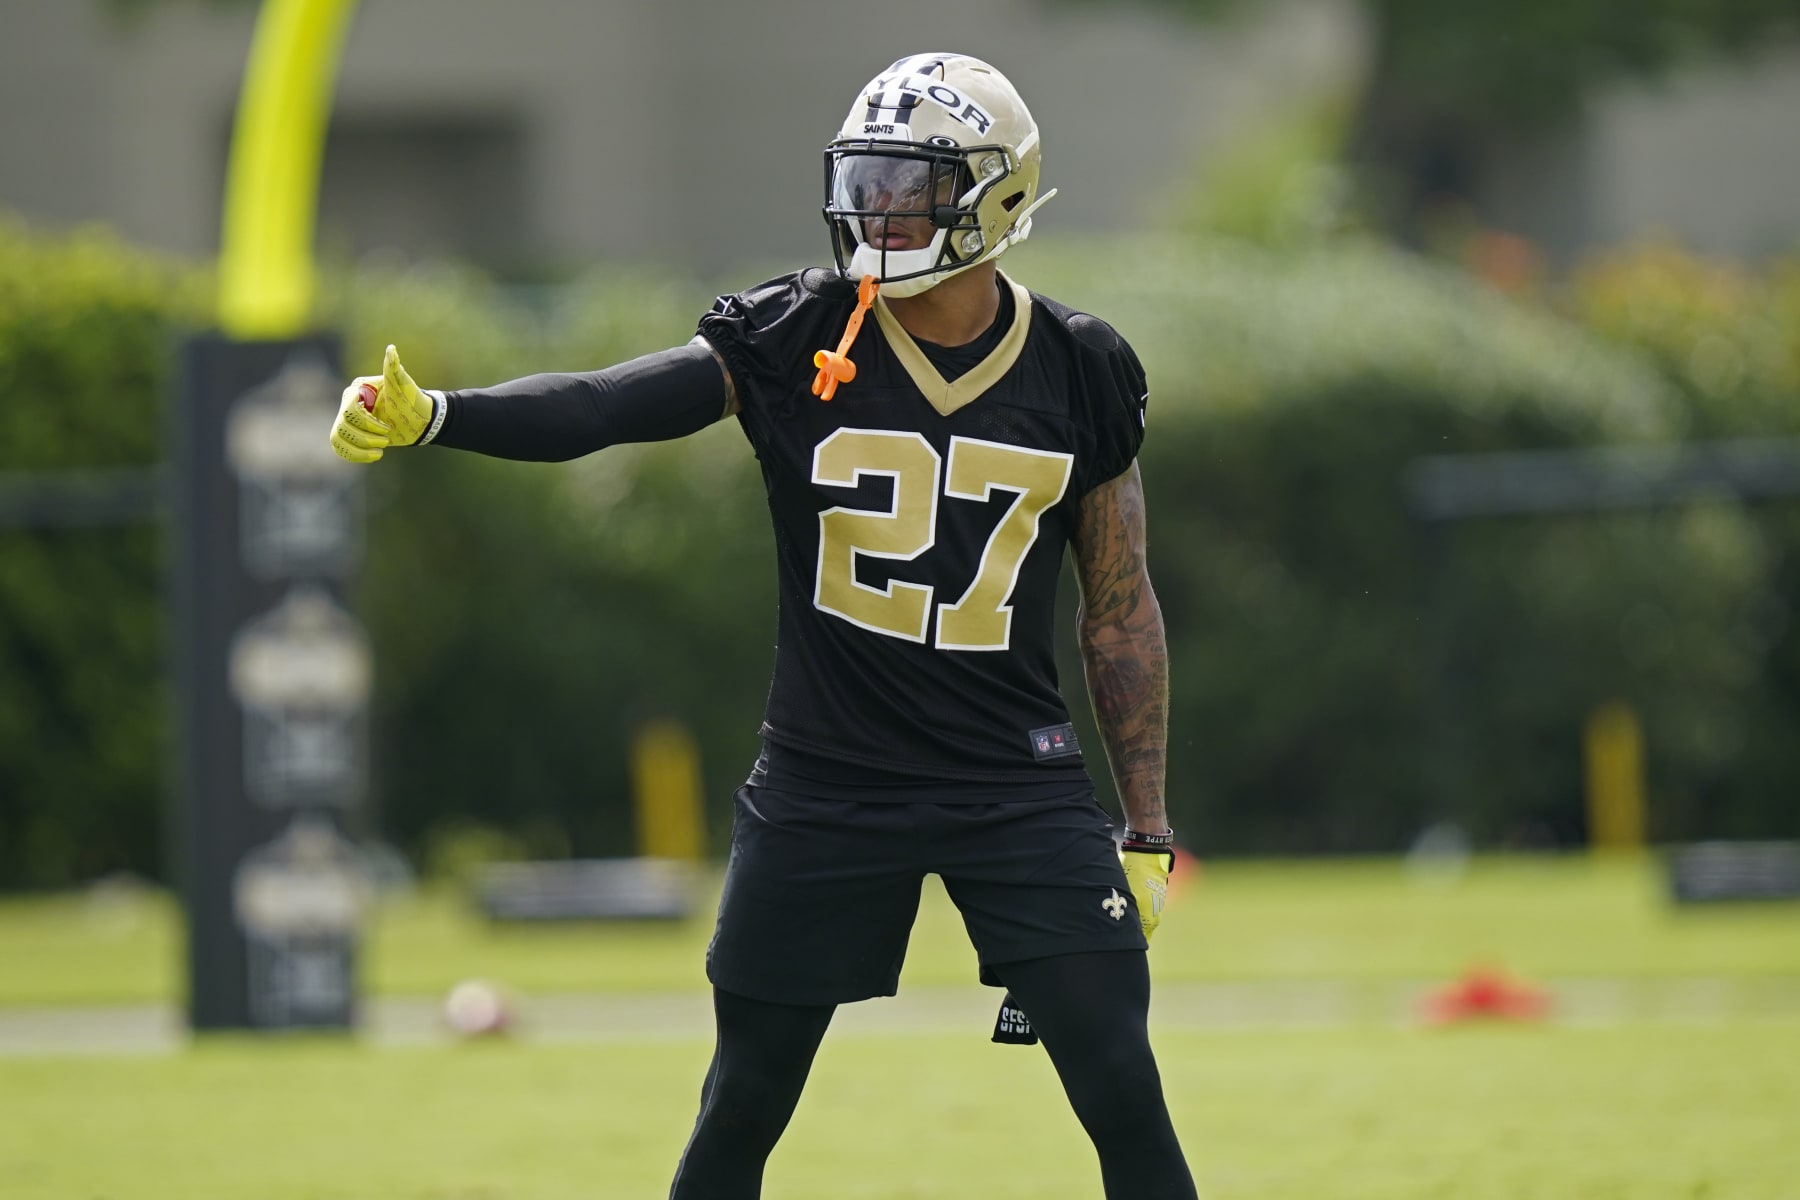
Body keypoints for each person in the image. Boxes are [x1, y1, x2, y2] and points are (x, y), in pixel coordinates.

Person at [331, 52, 1195, 1200]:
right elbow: (607, 404)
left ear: (996, 194)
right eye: (870, 179)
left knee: (1122, 1086)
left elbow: (1120, 603)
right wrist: (440, 415)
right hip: (827, 781)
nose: (880, 207)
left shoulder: (1081, 366)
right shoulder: (799, 333)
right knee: (742, 1102)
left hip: (1014, 784)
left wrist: (1145, 827)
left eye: (912, 183)